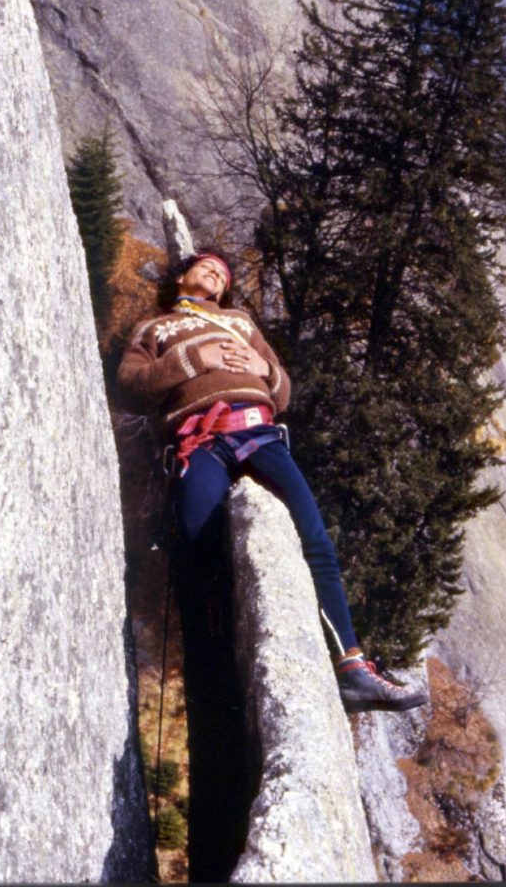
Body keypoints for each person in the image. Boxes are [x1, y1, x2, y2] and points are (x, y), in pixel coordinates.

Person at [116, 251, 428, 713]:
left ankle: (352, 668)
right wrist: (193, 358)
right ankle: (216, 694)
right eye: (206, 266)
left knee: (315, 539)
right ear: (182, 275)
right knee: (197, 556)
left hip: (259, 433)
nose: (216, 273)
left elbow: (282, 391)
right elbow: (128, 384)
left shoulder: (241, 323)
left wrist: (264, 372)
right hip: (198, 441)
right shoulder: (155, 329)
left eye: (222, 274)